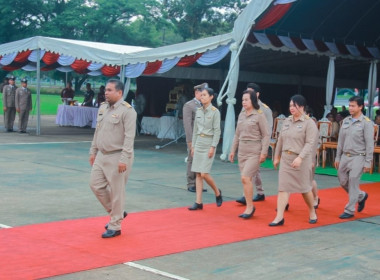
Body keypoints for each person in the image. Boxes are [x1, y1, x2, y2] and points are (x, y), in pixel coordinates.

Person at [89, 79, 137, 238]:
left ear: (119, 93)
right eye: (106, 90)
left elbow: (129, 138)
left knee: (117, 192)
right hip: (102, 155)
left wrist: (124, 158)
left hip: (118, 156)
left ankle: (115, 226)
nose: (106, 92)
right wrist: (93, 151)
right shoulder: (103, 108)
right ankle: (117, 213)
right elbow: (98, 131)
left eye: (110, 90)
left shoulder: (128, 112)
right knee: (96, 185)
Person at [270, 95, 318, 226]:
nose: (291, 108)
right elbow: (280, 139)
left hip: (301, 161)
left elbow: (309, 143)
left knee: (305, 189)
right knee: (283, 188)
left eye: (294, 106)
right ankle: (279, 217)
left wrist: (300, 158)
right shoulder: (287, 121)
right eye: (290, 106)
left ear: (302, 107)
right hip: (286, 159)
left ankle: (312, 211)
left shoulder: (309, 123)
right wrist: (276, 156)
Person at [229, 89, 270, 219]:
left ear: (253, 100)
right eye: (242, 100)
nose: (244, 102)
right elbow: (237, 134)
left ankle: (249, 207)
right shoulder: (241, 115)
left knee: (245, 178)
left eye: (246, 100)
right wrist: (232, 150)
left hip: (254, 150)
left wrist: (264, 152)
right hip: (242, 151)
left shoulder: (259, 115)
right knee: (246, 180)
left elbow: (266, 135)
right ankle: (249, 205)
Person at [334, 96, 374, 219]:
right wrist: (337, 157)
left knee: (353, 180)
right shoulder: (346, 121)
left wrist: (368, 162)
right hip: (345, 156)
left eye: (353, 106)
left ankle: (349, 210)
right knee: (342, 181)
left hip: (359, 156)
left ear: (360, 107)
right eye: (350, 105)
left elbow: (369, 144)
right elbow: (340, 140)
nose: (350, 108)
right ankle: (361, 196)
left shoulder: (366, 123)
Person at [236, 83, 273, 205]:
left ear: (257, 95)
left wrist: (263, 150)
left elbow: (267, 132)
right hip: (245, 146)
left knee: (250, 173)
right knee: (250, 172)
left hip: (257, 145)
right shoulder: (244, 108)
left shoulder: (265, 110)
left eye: (250, 94)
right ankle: (258, 193)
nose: (246, 99)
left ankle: (250, 196)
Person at [188, 87, 222, 210]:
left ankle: (217, 192)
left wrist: (213, 147)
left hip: (208, 143)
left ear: (211, 97)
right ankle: (198, 202)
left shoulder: (215, 112)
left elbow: (217, 131)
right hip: (199, 143)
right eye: (201, 95)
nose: (202, 97)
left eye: (204, 95)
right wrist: (193, 146)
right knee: (198, 173)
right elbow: (196, 130)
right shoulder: (198, 111)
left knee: (204, 173)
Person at [183, 83, 207, 192]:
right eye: (202, 94)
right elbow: (187, 124)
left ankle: (199, 183)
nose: (204, 96)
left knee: (201, 161)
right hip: (194, 138)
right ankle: (191, 183)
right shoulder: (189, 105)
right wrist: (189, 140)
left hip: (204, 138)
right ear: (196, 93)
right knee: (192, 160)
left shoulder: (205, 105)